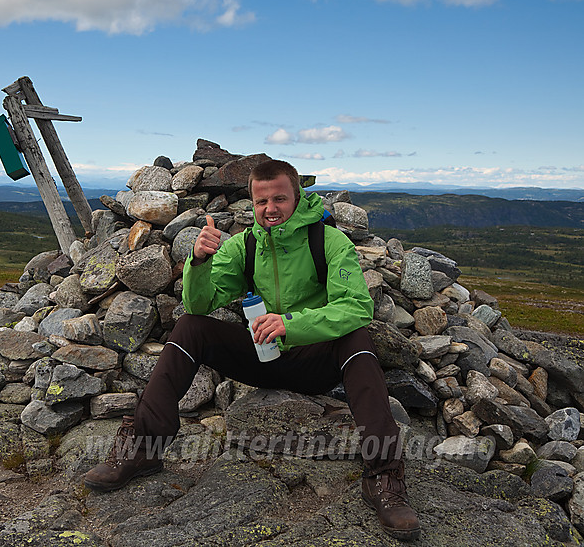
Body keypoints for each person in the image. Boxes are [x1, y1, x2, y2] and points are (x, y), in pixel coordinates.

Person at [84, 159, 420, 541]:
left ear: (297, 197)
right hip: (263, 356)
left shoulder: (328, 242)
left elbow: (357, 307)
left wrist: (290, 324)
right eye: (262, 201)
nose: (270, 209)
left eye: (279, 198)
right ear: (252, 203)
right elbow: (198, 305)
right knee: (189, 327)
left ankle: (384, 477)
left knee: (358, 341)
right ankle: (143, 448)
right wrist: (199, 262)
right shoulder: (244, 245)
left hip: (315, 360)